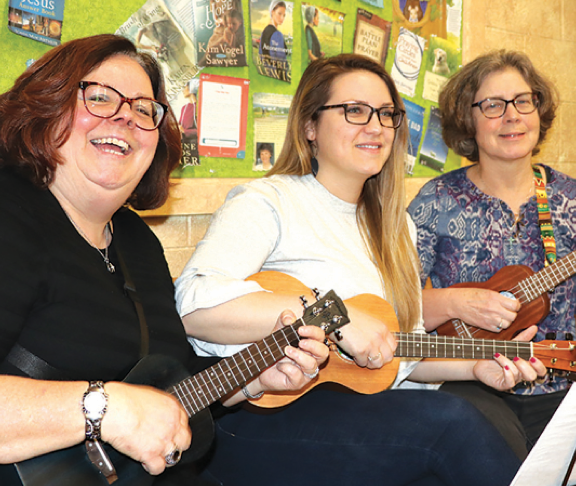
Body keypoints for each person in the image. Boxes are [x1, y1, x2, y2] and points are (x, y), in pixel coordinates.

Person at [0, 34, 328, 486]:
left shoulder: (136, 241)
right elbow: (121, 404)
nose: (125, 116)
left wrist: (256, 378)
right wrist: (102, 408)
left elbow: (166, 383)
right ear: (46, 109)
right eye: (99, 97)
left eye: (144, 110)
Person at [175, 53, 543, 486]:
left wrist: (474, 369)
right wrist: (334, 315)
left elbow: (400, 354)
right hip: (258, 417)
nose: (376, 126)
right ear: (310, 126)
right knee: (451, 423)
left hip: (358, 413)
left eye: (387, 114)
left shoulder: (394, 224)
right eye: (354, 111)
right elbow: (193, 304)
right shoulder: (267, 202)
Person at [407, 50, 576, 459]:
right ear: (467, 119)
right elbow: (395, 309)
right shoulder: (435, 200)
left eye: (523, 101)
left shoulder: (574, 198)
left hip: (560, 384)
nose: (512, 116)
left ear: (539, 111)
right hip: (466, 384)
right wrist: (457, 302)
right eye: (492, 105)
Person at [258, 0, 289, 79]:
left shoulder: (264, 32)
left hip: (265, 74)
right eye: (279, 13)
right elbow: (282, 62)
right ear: (272, 12)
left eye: (284, 15)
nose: (282, 18)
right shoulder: (278, 35)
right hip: (278, 77)